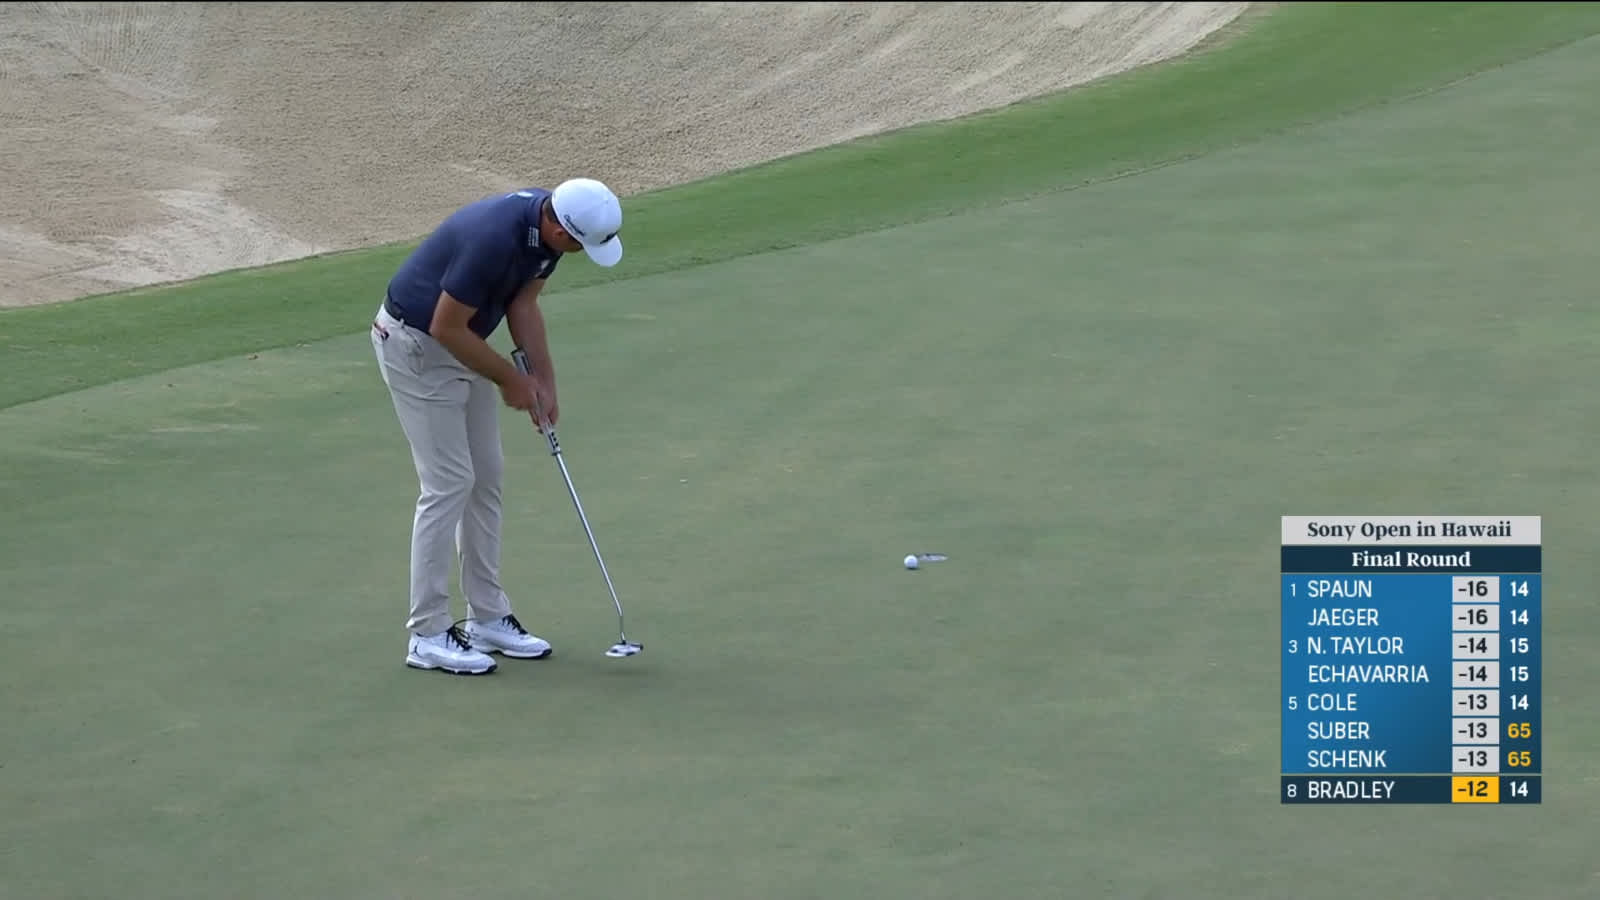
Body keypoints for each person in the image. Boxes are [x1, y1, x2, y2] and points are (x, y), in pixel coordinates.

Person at [369, 177, 624, 675]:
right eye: (578, 243)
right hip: (415, 344)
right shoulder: (495, 238)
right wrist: (511, 380)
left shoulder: (550, 235)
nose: (578, 251)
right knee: (448, 483)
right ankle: (427, 632)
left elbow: (522, 305)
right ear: (557, 227)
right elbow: (443, 326)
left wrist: (543, 381)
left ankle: (487, 615)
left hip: (462, 342)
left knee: (485, 477)